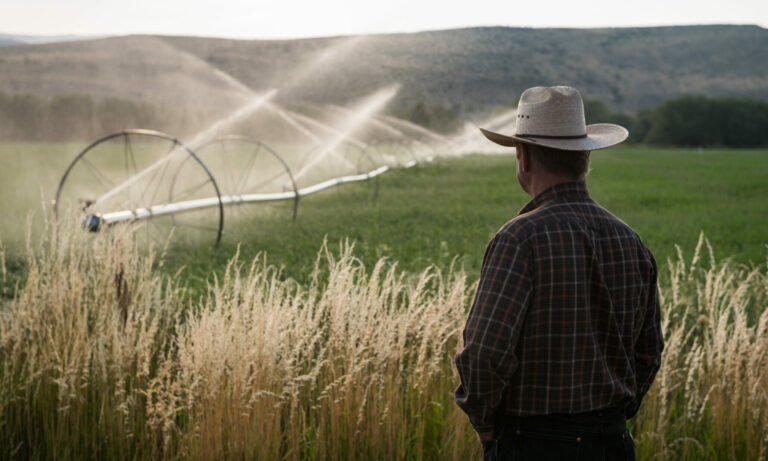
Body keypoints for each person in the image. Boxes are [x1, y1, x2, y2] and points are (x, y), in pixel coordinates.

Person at [454, 86, 663, 460]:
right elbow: (648, 352)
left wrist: (486, 428)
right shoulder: (631, 241)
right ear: (585, 155)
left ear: (524, 157)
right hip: (614, 441)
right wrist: (611, 416)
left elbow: (484, 352)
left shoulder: (519, 238)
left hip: (533, 442)